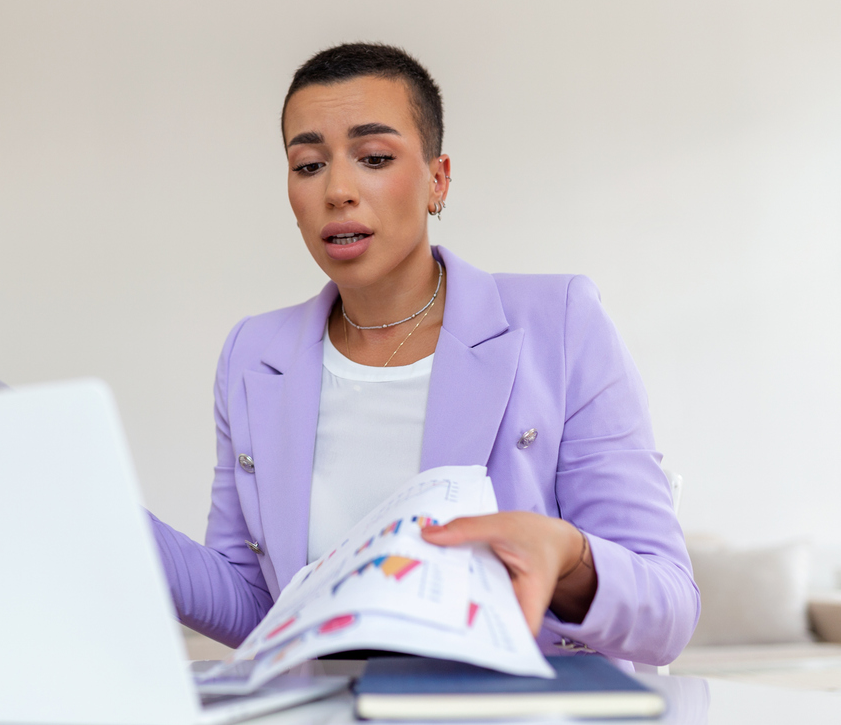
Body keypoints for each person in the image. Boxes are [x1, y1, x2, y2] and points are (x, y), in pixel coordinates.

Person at [149, 43, 698, 669]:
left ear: (437, 180)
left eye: (375, 158)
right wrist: (96, 511)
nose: (337, 190)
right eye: (308, 165)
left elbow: (670, 612)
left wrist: (570, 557)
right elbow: (260, 608)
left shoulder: (559, 322)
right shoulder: (253, 354)